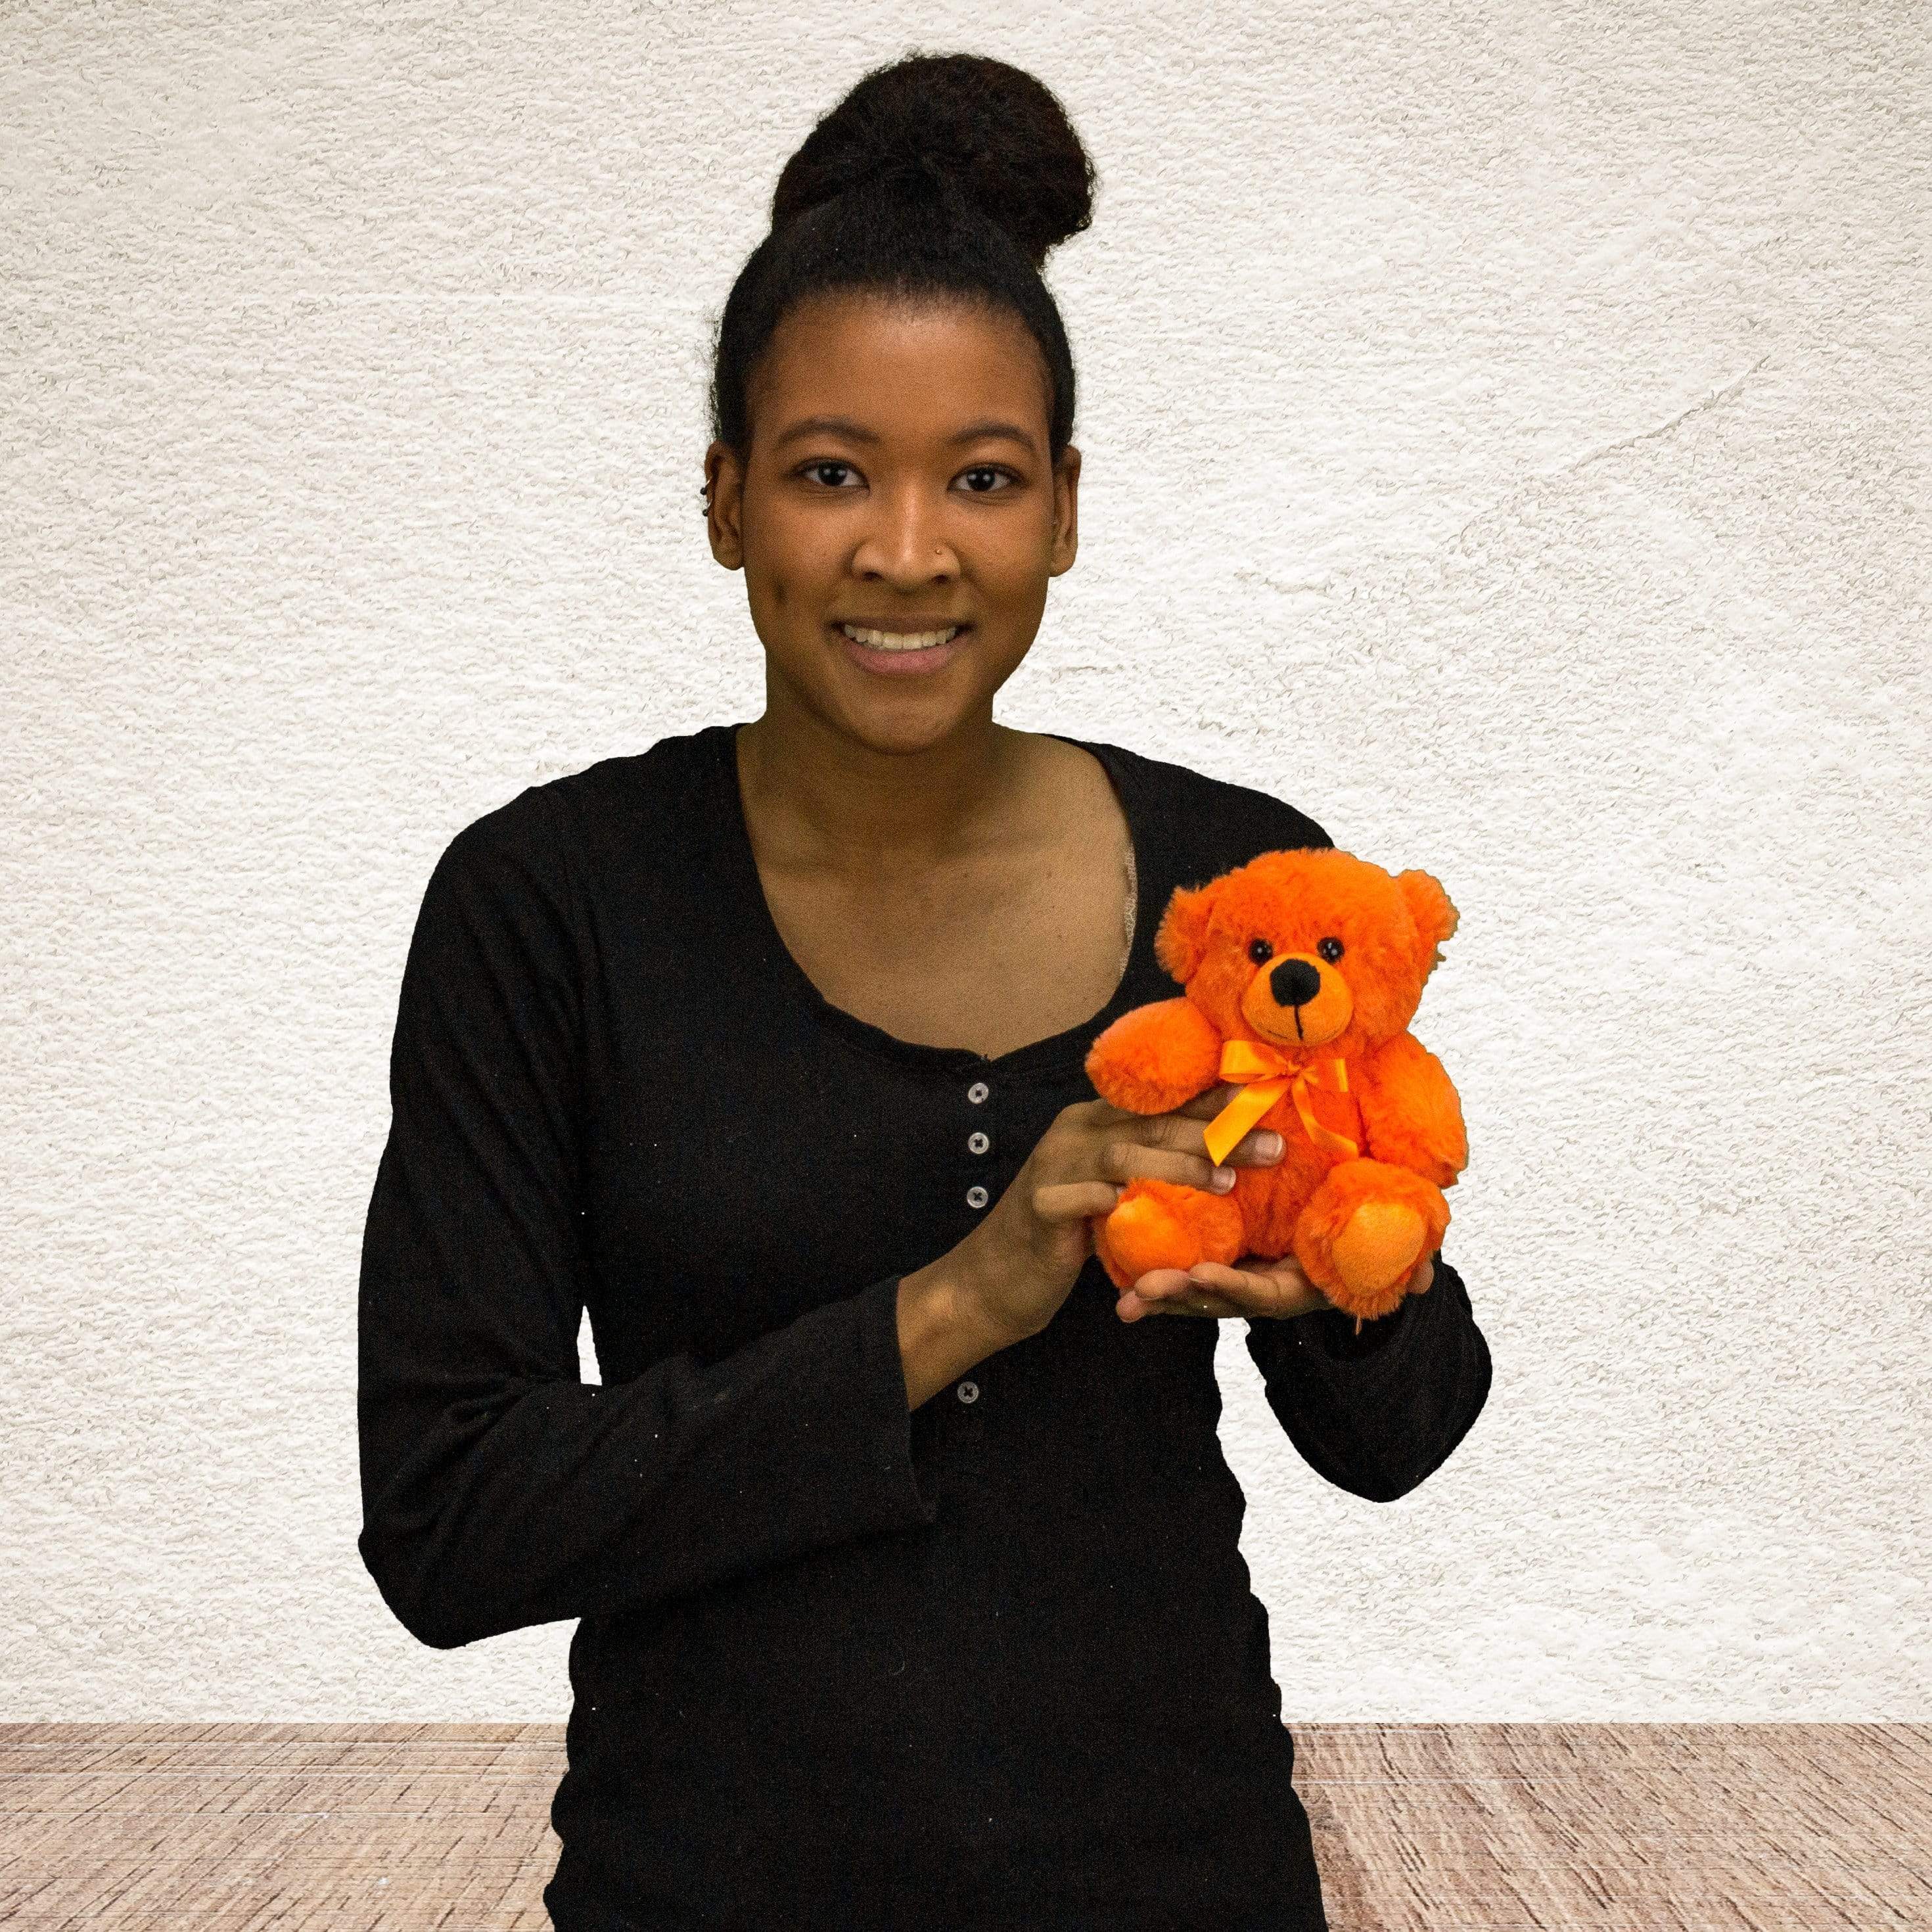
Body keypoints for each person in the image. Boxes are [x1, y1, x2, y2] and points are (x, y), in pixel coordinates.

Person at [356, 49, 1492, 1932]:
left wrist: (1352, 1294)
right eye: (827, 474)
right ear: (724, 502)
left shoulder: (1247, 889)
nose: (905, 551)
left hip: (1183, 1882)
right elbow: (450, 1515)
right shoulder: (545, 901)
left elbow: (1405, 1434)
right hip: (693, 1892)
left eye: (979, 476)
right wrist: (951, 1306)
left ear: (1061, 507)